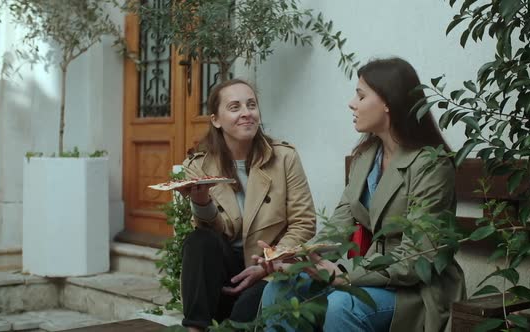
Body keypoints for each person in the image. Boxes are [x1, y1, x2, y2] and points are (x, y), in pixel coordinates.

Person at [260, 57, 466, 332]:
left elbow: (418, 256)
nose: (351, 103)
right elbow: (337, 228)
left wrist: (345, 275)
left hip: (416, 288)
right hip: (369, 276)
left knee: (344, 305)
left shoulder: (431, 164)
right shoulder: (366, 157)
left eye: (360, 95)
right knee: (281, 290)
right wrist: (295, 258)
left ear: (388, 103)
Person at [178, 78, 316, 331]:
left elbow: (304, 222)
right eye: (235, 107)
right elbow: (212, 234)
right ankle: (194, 329)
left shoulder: (284, 157)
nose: (246, 113)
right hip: (227, 270)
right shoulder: (198, 166)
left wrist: (267, 263)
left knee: (241, 318)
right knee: (199, 241)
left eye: (251, 105)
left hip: (270, 265)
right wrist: (201, 203)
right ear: (216, 120)